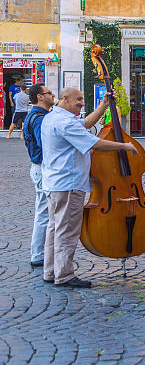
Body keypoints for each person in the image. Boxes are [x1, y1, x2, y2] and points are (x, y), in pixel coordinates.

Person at [41, 88, 138, 288]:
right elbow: (95, 143)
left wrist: (103, 105)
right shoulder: (65, 122)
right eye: (79, 99)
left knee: (54, 228)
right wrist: (125, 146)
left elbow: (86, 124)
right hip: (67, 183)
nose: (82, 103)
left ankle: (51, 271)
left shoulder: (54, 117)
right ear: (65, 99)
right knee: (66, 230)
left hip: (55, 182)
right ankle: (64, 275)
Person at [22, 83, 55, 267]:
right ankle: (38, 255)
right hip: (42, 168)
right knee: (44, 213)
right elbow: (47, 146)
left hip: (39, 167)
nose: (52, 95)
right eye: (48, 92)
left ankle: (40, 253)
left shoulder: (37, 115)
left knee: (44, 212)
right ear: (40, 97)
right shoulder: (39, 118)